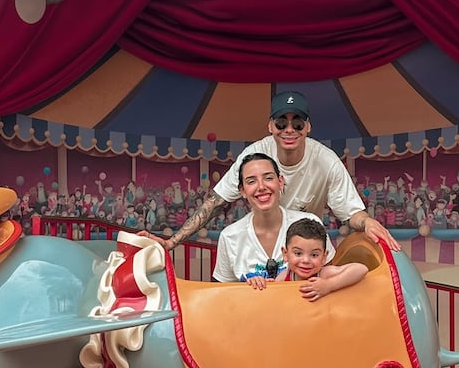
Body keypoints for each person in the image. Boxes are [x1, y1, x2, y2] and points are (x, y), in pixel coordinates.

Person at [141, 89, 400, 251]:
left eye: (297, 123)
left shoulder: (326, 160)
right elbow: (216, 201)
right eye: (281, 122)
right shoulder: (253, 158)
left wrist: (368, 222)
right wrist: (173, 241)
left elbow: (351, 211)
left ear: (308, 127)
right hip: (261, 249)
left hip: (304, 253)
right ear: (270, 126)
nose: (289, 129)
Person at [212, 152, 334, 284]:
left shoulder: (310, 223)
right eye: (251, 181)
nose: (261, 187)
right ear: (242, 190)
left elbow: (330, 277)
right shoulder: (229, 237)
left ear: (280, 182)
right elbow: (224, 293)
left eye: (268, 178)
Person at [280, 217, 368, 301]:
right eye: (298, 253)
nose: (306, 260)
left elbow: (361, 269)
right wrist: (268, 284)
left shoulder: (324, 274)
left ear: (324, 257)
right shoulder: (284, 277)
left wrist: (328, 285)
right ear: (285, 254)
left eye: (314, 255)